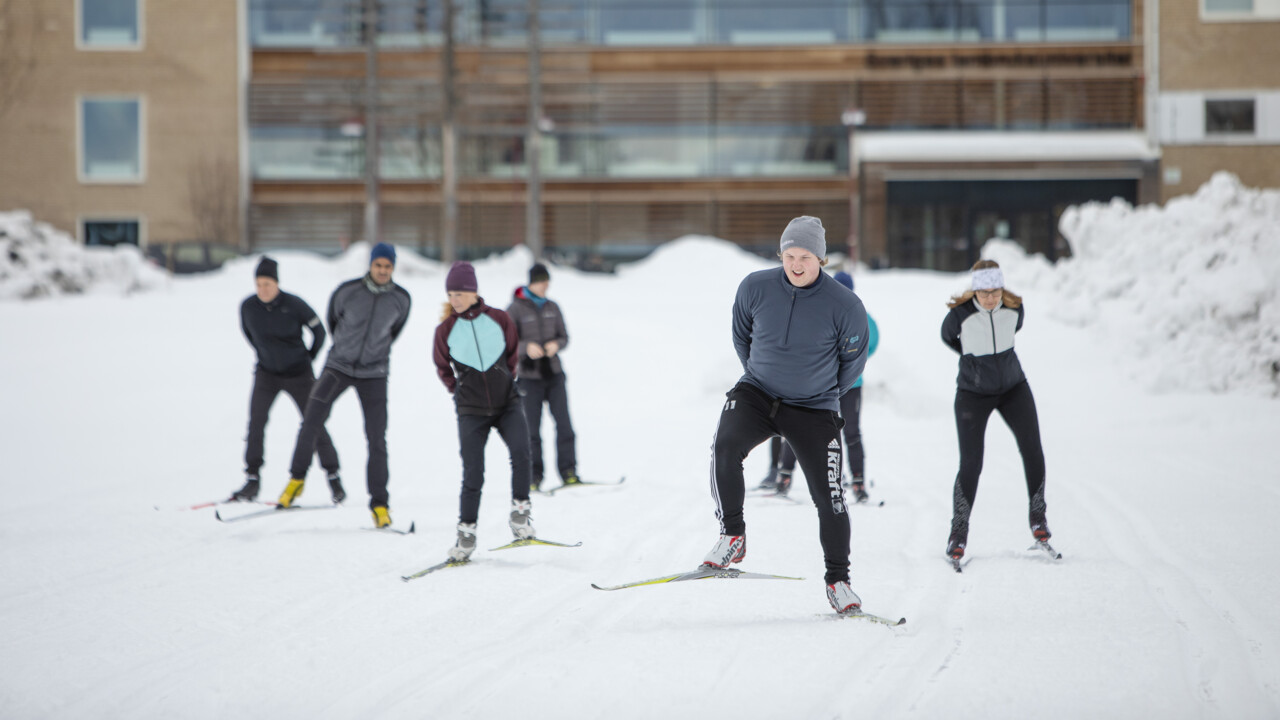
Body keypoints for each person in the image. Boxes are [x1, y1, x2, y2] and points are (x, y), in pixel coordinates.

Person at [704, 216, 870, 614]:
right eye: (789, 255)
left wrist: (819, 391)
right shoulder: (754, 287)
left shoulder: (845, 305)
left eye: (805, 257)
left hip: (814, 406)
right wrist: (762, 373)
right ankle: (732, 535)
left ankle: (838, 581)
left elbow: (853, 363)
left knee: (830, 497)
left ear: (821, 259)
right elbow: (741, 336)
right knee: (724, 446)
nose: (796, 264)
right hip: (758, 393)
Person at [276, 242, 411, 529]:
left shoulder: (401, 299)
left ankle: (380, 505)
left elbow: (394, 331)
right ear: (370, 265)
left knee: (377, 438)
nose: (382, 270)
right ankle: (296, 480)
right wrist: (346, 350)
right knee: (312, 419)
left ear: (393, 268)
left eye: (387, 266)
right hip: (338, 367)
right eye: (378, 265)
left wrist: (373, 353)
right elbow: (333, 321)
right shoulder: (347, 291)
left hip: (374, 373)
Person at [940, 259, 1050, 563]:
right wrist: (972, 360)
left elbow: (1015, 328)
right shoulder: (959, 315)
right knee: (971, 463)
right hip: (972, 394)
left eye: (995, 292)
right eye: (984, 293)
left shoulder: (1015, 308)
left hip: (1014, 388)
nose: (990, 298)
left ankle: (1038, 518)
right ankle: (958, 534)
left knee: (1032, 449)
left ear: (1002, 288)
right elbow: (948, 337)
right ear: (975, 291)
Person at [433, 261, 535, 561]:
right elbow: (442, 367)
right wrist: (458, 390)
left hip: (507, 404)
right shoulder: (445, 330)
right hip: (471, 410)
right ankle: (466, 534)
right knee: (473, 471)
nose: (454, 300)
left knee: (522, 452)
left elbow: (512, 355)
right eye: (450, 294)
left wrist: (504, 379)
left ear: (473, 292)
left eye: (459, 294)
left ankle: (520, 513)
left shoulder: (500, 319)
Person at [229, 258, 341, 502]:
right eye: (259, 284)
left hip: (299, 374)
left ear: (277, 283)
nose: (263, 289)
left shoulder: (294, 304)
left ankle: (333, 476)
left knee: (314, 423)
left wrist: (308, 357)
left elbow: (319, 332)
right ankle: (252, 479)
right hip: (266, 374)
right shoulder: (248, 307)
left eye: (267, 284)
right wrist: (265, 354)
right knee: (256, 423)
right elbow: (249, 334)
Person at [770, 270, 880, 503]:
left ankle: (787, 477)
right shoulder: (831, 310)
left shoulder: (854, 312)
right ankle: (788, 476)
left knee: (831, 430)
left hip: (841, 383)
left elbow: (870, 341)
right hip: (825, 382)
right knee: (816, 428)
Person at [506, 262, 579, 492]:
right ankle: (533, 476)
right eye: (541, 281)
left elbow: (564, 337)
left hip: (554, 374)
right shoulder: (515, 309)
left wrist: (556, 344)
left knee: (565, 426)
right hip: (529, 378)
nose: (545, 286)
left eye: (547, 281)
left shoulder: (552, 307)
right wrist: (526, 348)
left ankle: (569, 472)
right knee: (531, 430)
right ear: (531, 283)